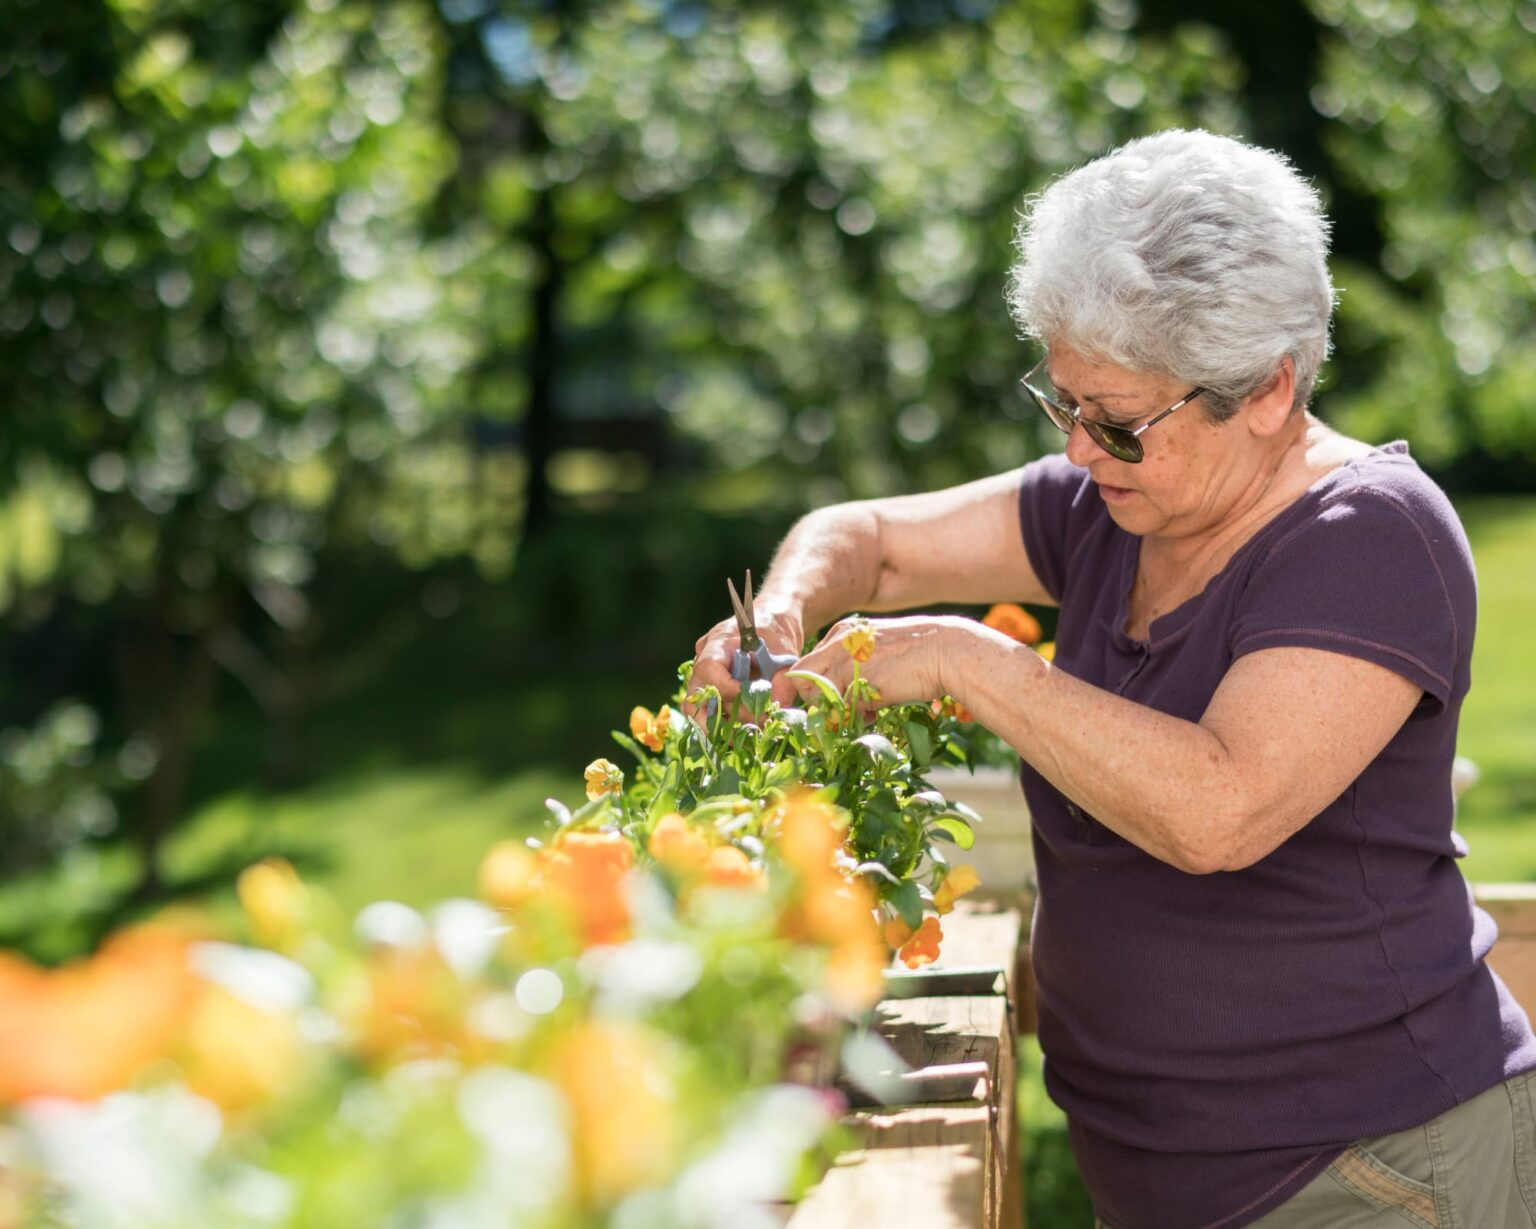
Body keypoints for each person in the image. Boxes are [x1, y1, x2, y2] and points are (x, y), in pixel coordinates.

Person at [687, 130, 1536, 1229]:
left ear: (1269, 388)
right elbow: (876, 543)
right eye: (1065, 405)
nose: (1082, 453)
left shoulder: (1370, 536)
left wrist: (966, 658)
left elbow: (1218, 809)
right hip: (1167, 1179)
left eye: (1120, 424)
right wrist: (781, 606)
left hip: (1372, 1169)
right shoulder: (1113, 509)